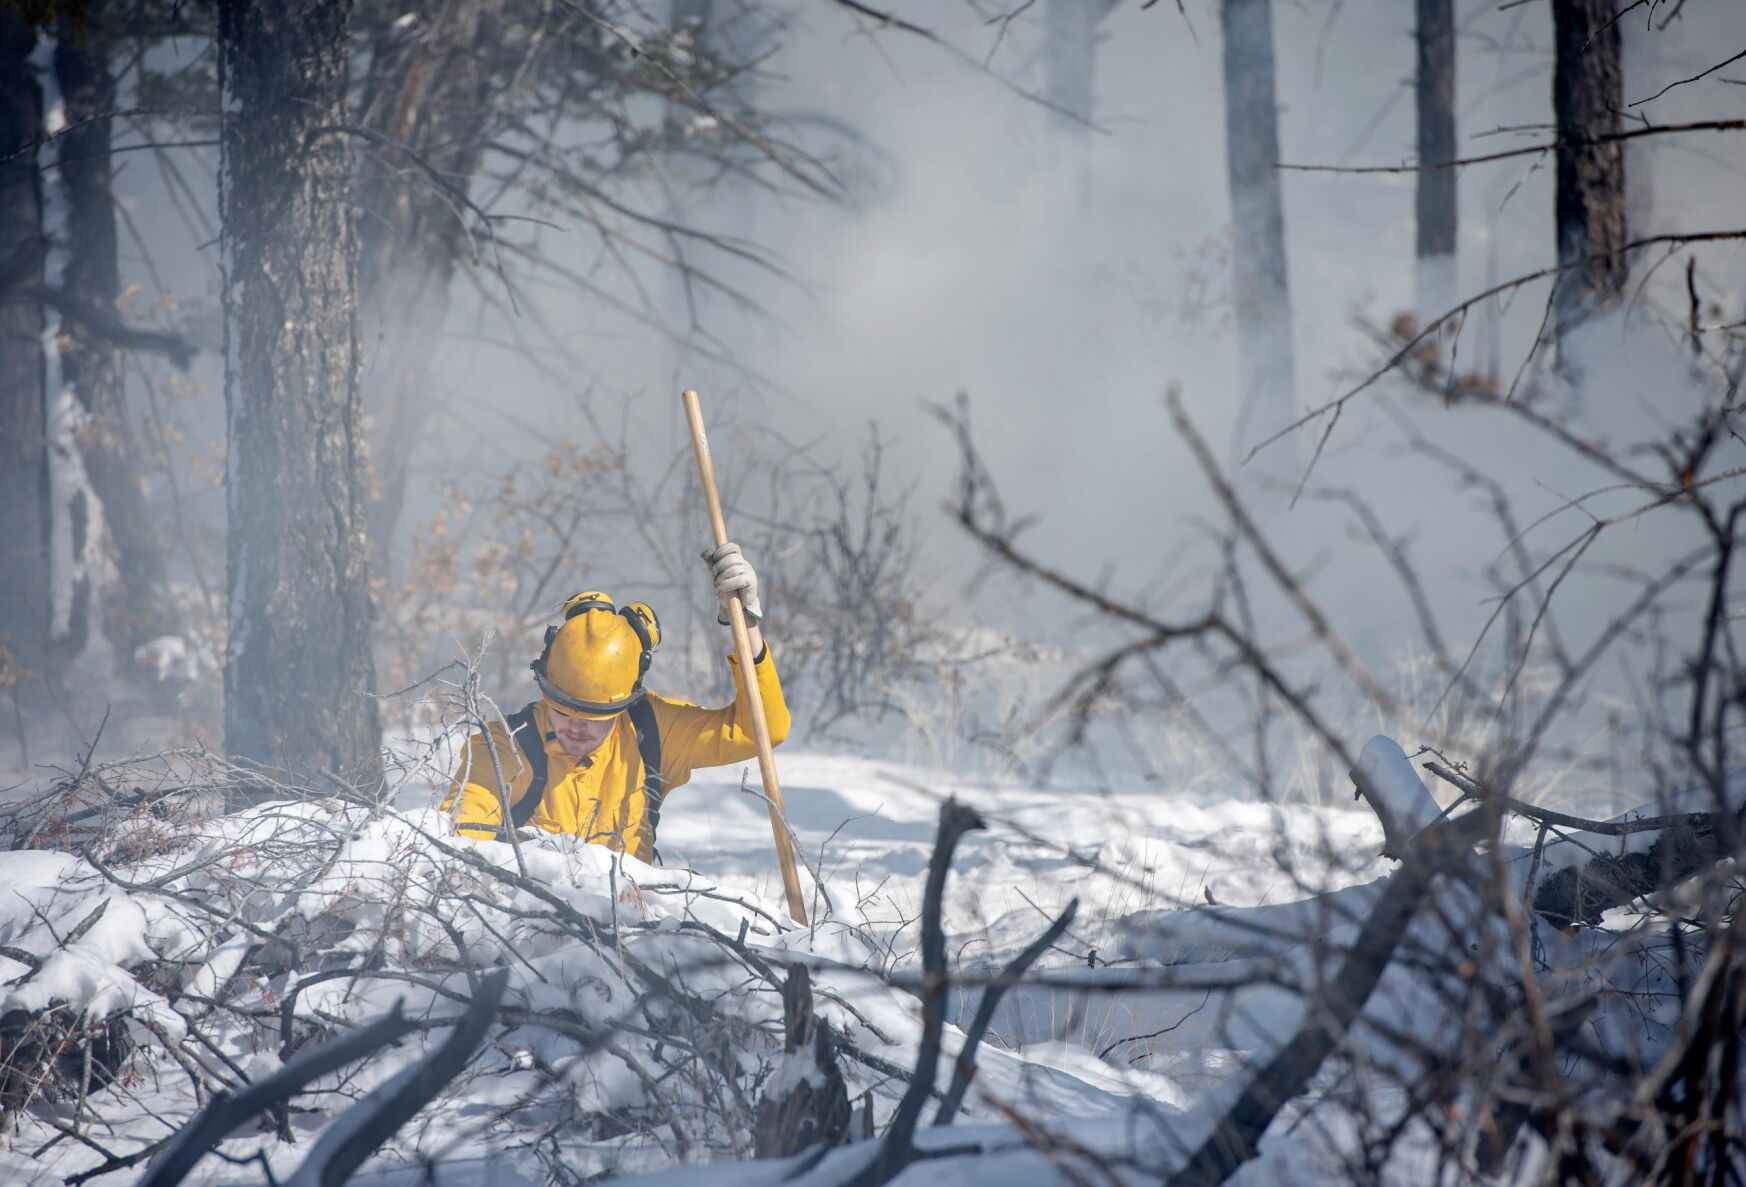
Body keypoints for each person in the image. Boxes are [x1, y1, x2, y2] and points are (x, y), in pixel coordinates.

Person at [443, 543, 790, 862]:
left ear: (624, 704)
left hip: (633, 924)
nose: (577, 726)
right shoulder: (504, 747)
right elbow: (461, 840)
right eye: (563, 711)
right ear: (545, 691)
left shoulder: (650, 732)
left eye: (596, 716)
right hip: (532, 922)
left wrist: (745, 627)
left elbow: (762, 730)